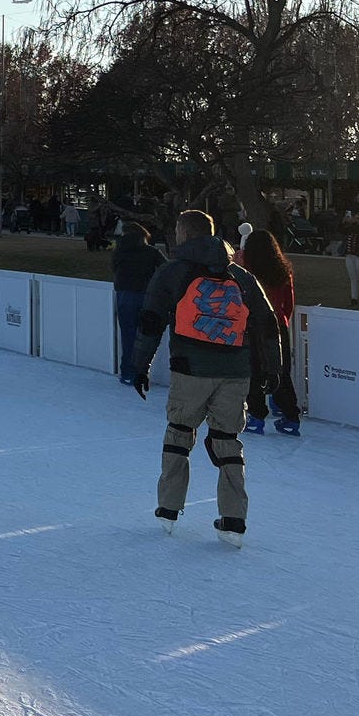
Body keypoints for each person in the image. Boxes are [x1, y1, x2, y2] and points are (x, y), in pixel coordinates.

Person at [131, 209, 280, 547]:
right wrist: (274, 369)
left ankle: (169, 509)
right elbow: (269, 325)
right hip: (235, 371)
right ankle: (233, 520)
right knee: (227, 441)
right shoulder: (241, 276)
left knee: (179, 434)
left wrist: (140, 365)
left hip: (190, 367)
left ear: (183, 233)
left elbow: (151, 321)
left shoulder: (172, 272)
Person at [239, 229, 302, 436]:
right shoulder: (283, 269)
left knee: (254, 371)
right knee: (280, 371)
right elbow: (288, 302)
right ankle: (291, 416)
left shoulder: (244, 266)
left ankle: (256, 416)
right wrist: (282, 319)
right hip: (277, 324)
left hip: (253, 323)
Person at [111, 221, 166, 386]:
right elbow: (165, 268)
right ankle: (142, 371)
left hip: (125, 294)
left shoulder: (119, 250)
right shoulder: (151, 251)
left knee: (128, 335)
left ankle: (127, 372)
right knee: (145, 336)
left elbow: (114, 268)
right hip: (146, 294)